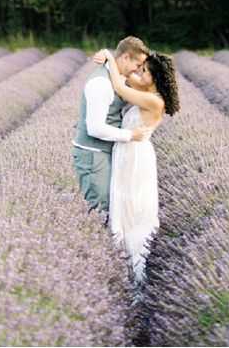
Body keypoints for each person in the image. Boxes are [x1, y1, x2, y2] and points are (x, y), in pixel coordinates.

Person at [91, 45, 180, 284]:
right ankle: (124, 273)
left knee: (134, 213)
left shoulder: (154, 101)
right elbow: (126, 75)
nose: (138, 74)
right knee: (123, 208)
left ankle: (137, 281)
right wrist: (120, 60)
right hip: (128, 154)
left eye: (145, 71)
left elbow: (120, 85)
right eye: (139, 68)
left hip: (136, 158)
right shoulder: (145, 91)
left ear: (155, 79)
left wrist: (109, 55)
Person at [71, 36, 152, 221]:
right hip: (93, 155)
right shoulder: (100, 83)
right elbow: (95, 128)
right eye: (137, 64)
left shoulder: (117, 78)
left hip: (105, 153)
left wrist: (107, 53)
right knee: (99, 210)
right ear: (124, 58)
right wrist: (131, 135)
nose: (138, 70)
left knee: (110, 209)